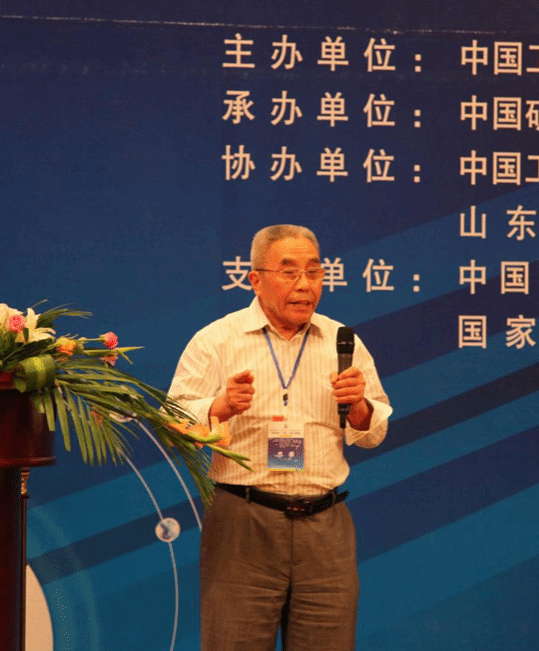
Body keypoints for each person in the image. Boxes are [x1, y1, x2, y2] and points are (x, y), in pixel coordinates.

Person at [168, 224, 393, 651]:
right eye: (289, 272)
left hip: (325, 526)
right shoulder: (217, 340)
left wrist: (358, 406)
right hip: (243, 522)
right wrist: (220, 406)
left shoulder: (343, 341)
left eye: (315, 272)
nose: (305, 285)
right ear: (255, 280)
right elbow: (172, 421)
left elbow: (373, 432)